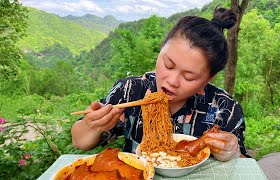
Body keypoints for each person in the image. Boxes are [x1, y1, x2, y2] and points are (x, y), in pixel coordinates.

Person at [71, 7, 251, 162]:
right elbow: (80, 142)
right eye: (168, 65)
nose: (172, 81)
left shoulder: (225, 107)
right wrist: (92, 125)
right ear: (161, 48)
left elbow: (245, 164)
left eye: (188, 77)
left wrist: (232, 152)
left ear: (209, 78)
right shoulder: (130, 91)